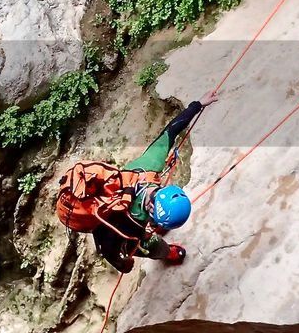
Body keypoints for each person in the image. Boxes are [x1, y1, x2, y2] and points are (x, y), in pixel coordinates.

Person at [55, 92, 219, 274]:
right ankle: (168, 253)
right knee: (152, 246)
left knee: (144, 239)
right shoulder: (128, 228)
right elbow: (108, 249)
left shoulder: (147, 167)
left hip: (105, 209)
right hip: (116, 224)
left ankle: (160, 237)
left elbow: (170, 132)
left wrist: (197, 104)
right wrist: (123, 264)